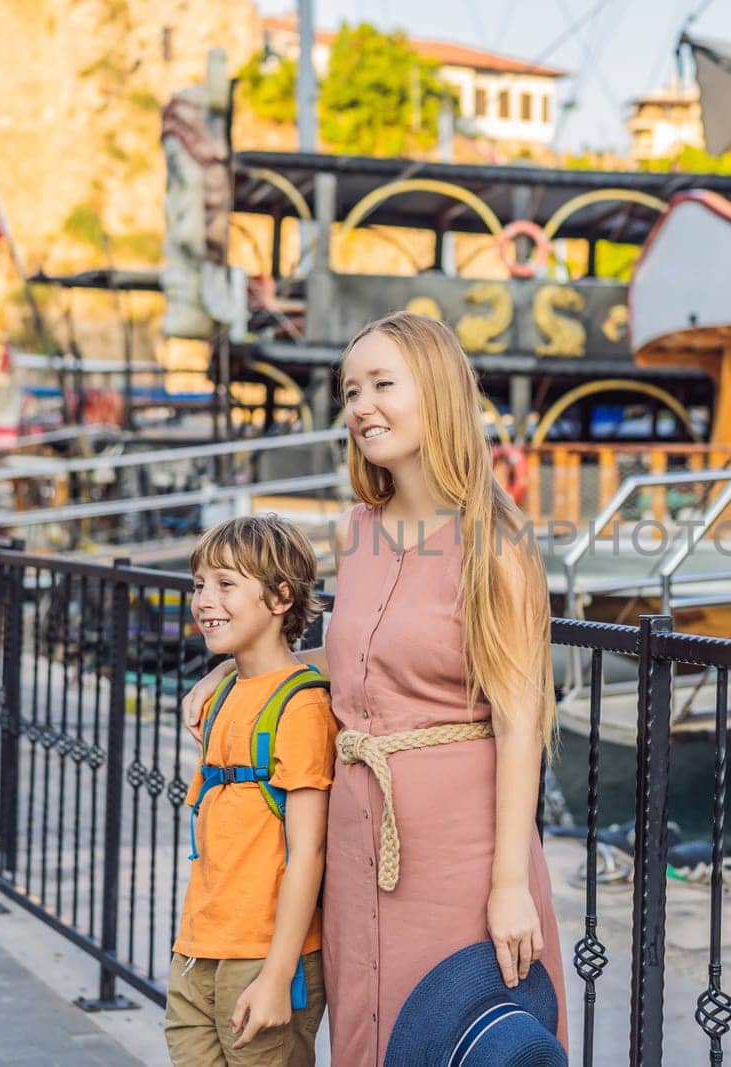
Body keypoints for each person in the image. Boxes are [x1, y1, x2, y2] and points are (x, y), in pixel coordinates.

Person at [183, 310, 567, 1063]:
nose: (361, 407)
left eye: (383, 384)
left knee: (457, 1035)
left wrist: (509, 885)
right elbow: (355, 662)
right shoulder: (357, 528)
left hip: (461, 854)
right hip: (359, 844)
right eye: (351, 390)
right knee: (368, 1033)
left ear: (439, 392)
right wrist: (231, 671)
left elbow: (521, 722)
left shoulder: (499, 546)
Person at [168, 515, 339, 1066]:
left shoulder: (301, 706)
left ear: (280, 597)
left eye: (225, 584)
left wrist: (277, 975)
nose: (204, 601)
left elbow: (307, 853)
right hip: (197, 951)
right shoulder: (219, 696)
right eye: (199, 585)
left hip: (263, 958)